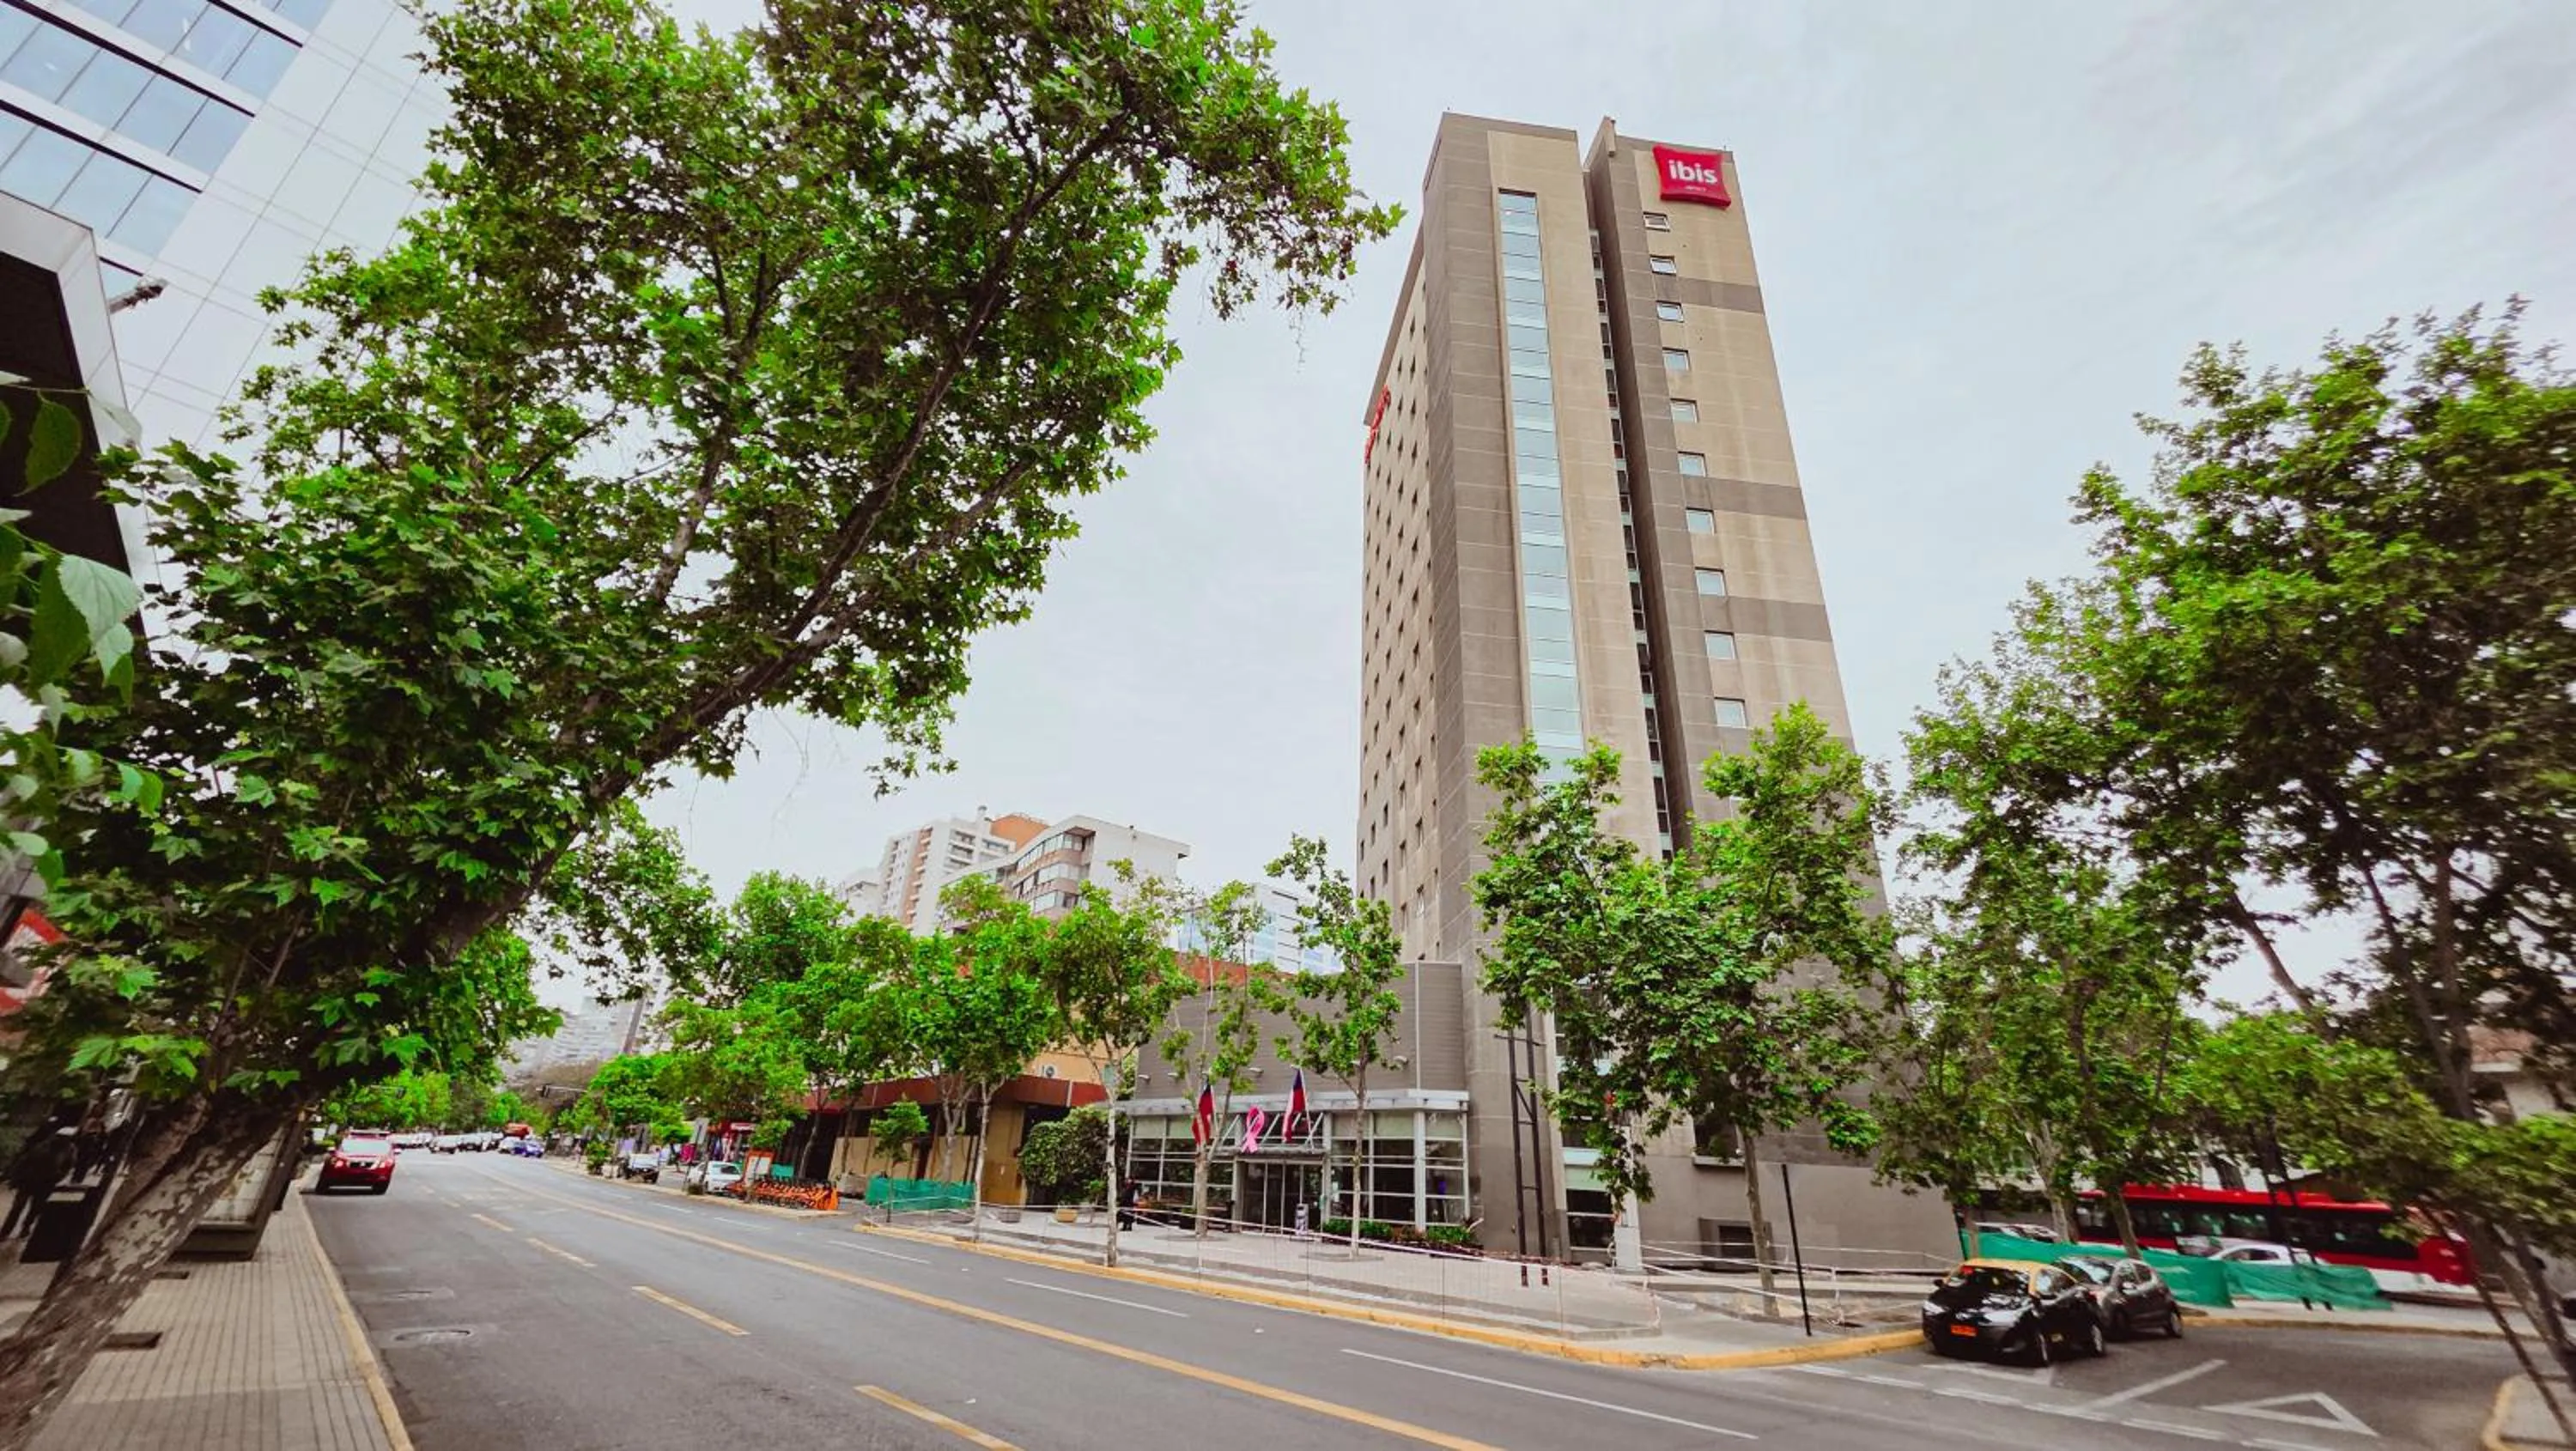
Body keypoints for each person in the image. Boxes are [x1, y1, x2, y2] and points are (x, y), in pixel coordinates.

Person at [3, 1126, 73, 1241]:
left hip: (46, 1184)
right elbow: (26, 1160)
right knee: (17, 1208)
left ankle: (25, 1228)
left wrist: (56, 1178)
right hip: (29, 1181)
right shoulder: (44, 1144)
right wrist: (15, 1177)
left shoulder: (70, 1150)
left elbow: (67, 1167)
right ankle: (5, 1231)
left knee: (35, 1209)